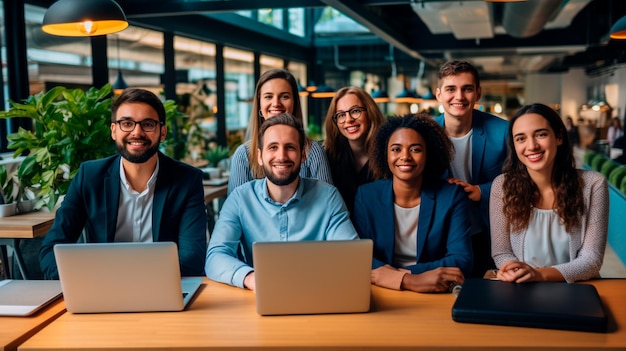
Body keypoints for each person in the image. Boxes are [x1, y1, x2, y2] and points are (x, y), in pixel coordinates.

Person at [39, 89, 207, 279]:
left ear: (162, 132)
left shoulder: (187, 180)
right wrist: (82, 281)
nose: (137, 132)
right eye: (127, 123)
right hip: (103, 286)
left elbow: (192, 258)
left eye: (148, 124)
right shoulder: (89, 176)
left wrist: (131, 278)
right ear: (113, 131)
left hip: (164, 286)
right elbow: (51, 250)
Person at [205, 113, 358, 290]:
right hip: (260, 297)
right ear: (260, 157)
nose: (281, 156)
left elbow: (350, 255)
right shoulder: (240, 199)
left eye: (290, 147)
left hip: (317, 294)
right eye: (273, 147)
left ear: (302, 156)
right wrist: (250, 278)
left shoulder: (328, 197)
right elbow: (215, 256)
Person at [353, 113, 472, 293]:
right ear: (385, 154)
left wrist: (402, 275)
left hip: (434, 291)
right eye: (396, 149)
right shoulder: (366, 195)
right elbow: (359, 256)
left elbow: (462, 259)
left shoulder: (451, 196)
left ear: (428, 154)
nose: (405, 156)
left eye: (415, 149)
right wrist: (410, 280)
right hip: (381, 291)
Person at [490, 103, 608, 283]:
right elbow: (501, 252)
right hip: (522, 289)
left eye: (541, 134)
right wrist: (515, 271)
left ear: (559, 137)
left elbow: (591, 260)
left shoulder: (593, 184)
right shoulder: (502, 186)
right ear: (514, 146)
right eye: (521, 138)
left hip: (577, 289)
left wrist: (539, 275)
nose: (532, 146)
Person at [434, 60, 508, 278]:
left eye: (467, 89)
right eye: (451, 89)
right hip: (442, 234)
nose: (459, 96)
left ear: (478, 94)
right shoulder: (422, 133)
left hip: (490, 232)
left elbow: (521, 180)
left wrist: (481, 191)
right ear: (438, 94)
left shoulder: (503, 131)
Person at [228, 69, 332, 194]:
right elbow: (236, 208)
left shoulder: (313, 151)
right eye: (268, 96)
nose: (276, 103)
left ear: (294, 103)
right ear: (260, 104)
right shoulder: (243, 155)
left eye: (284, 96)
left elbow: (327, 203)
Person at [323, 86, 386, 212]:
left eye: (355, 111)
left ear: (370, 112)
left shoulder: (388, 154)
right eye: (341, 115)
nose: (349, 119)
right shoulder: (328, 156)